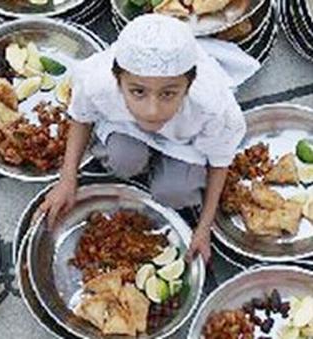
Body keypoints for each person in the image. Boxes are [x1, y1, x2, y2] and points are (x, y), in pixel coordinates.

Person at [35, 14, 260, 264]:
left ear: (189, 85)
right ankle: (140, 164)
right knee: (123, 160)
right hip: (126, 126)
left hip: (184, 143)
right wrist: (67, 179)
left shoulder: (212, 107)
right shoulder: (98, 83)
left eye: (168, 94)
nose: (152, 111)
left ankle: (162, 176)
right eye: (138, 91)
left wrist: (204, 227)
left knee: (175, 193)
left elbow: (220, 162)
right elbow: (81, 117)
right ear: (118, 81)